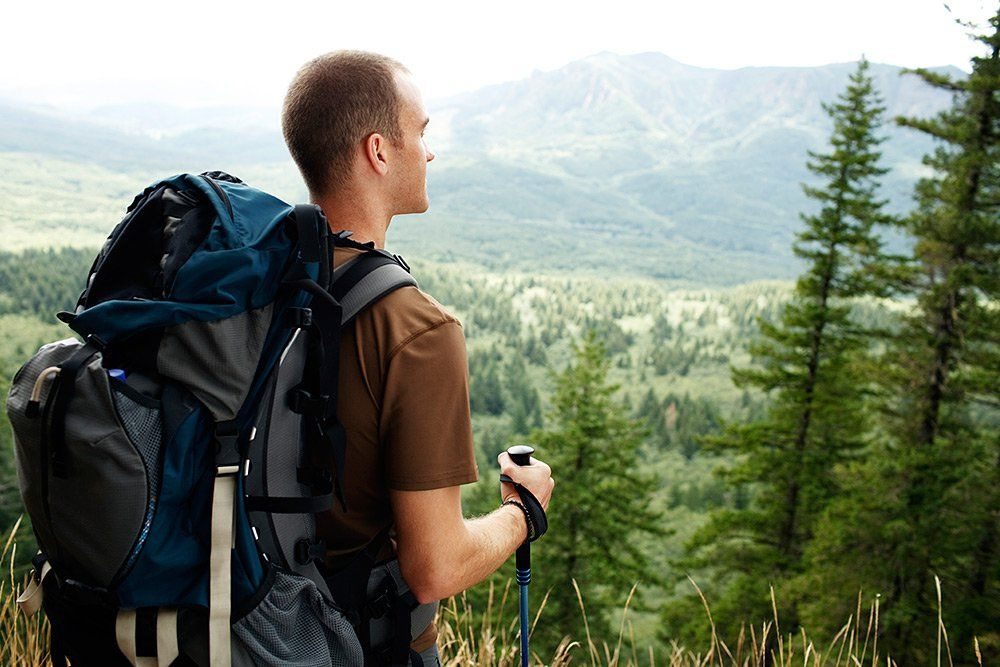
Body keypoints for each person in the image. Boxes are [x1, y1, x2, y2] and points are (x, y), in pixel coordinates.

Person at [281, 50, 556, 665]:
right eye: (421, 133)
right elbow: (435, 566)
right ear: (379, 151)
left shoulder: (257, 288)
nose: (428, 152)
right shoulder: (417, 329)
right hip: (348, 645)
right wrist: (523, 512)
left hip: (243, 625)